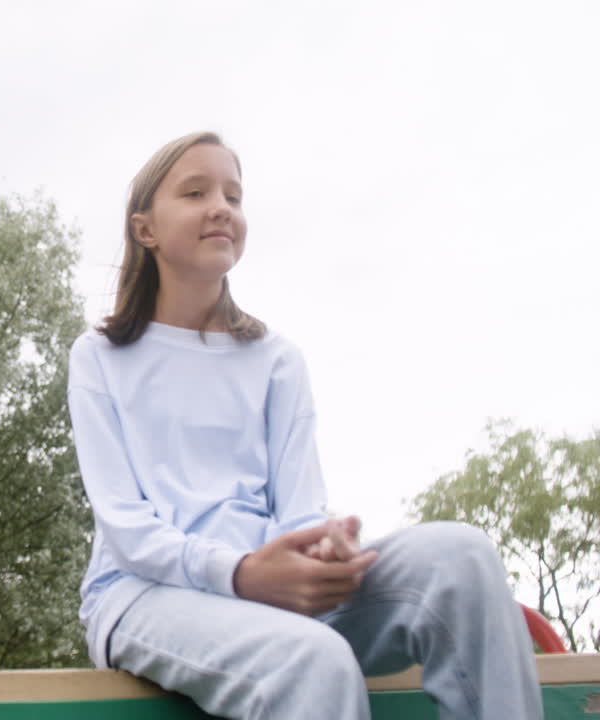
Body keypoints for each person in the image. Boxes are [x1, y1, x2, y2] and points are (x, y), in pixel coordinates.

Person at [67, 132, 542, 719]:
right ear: (146, 231)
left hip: (272, 594)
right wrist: (241, 574)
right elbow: (127, 531)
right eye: (195, 192)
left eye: (233, 197)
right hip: (144, 595)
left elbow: (296, 511)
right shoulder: (101, 356)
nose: (221, 206)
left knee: (461, 557)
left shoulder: (275, 357)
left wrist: (322, 547)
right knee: (313, 659)